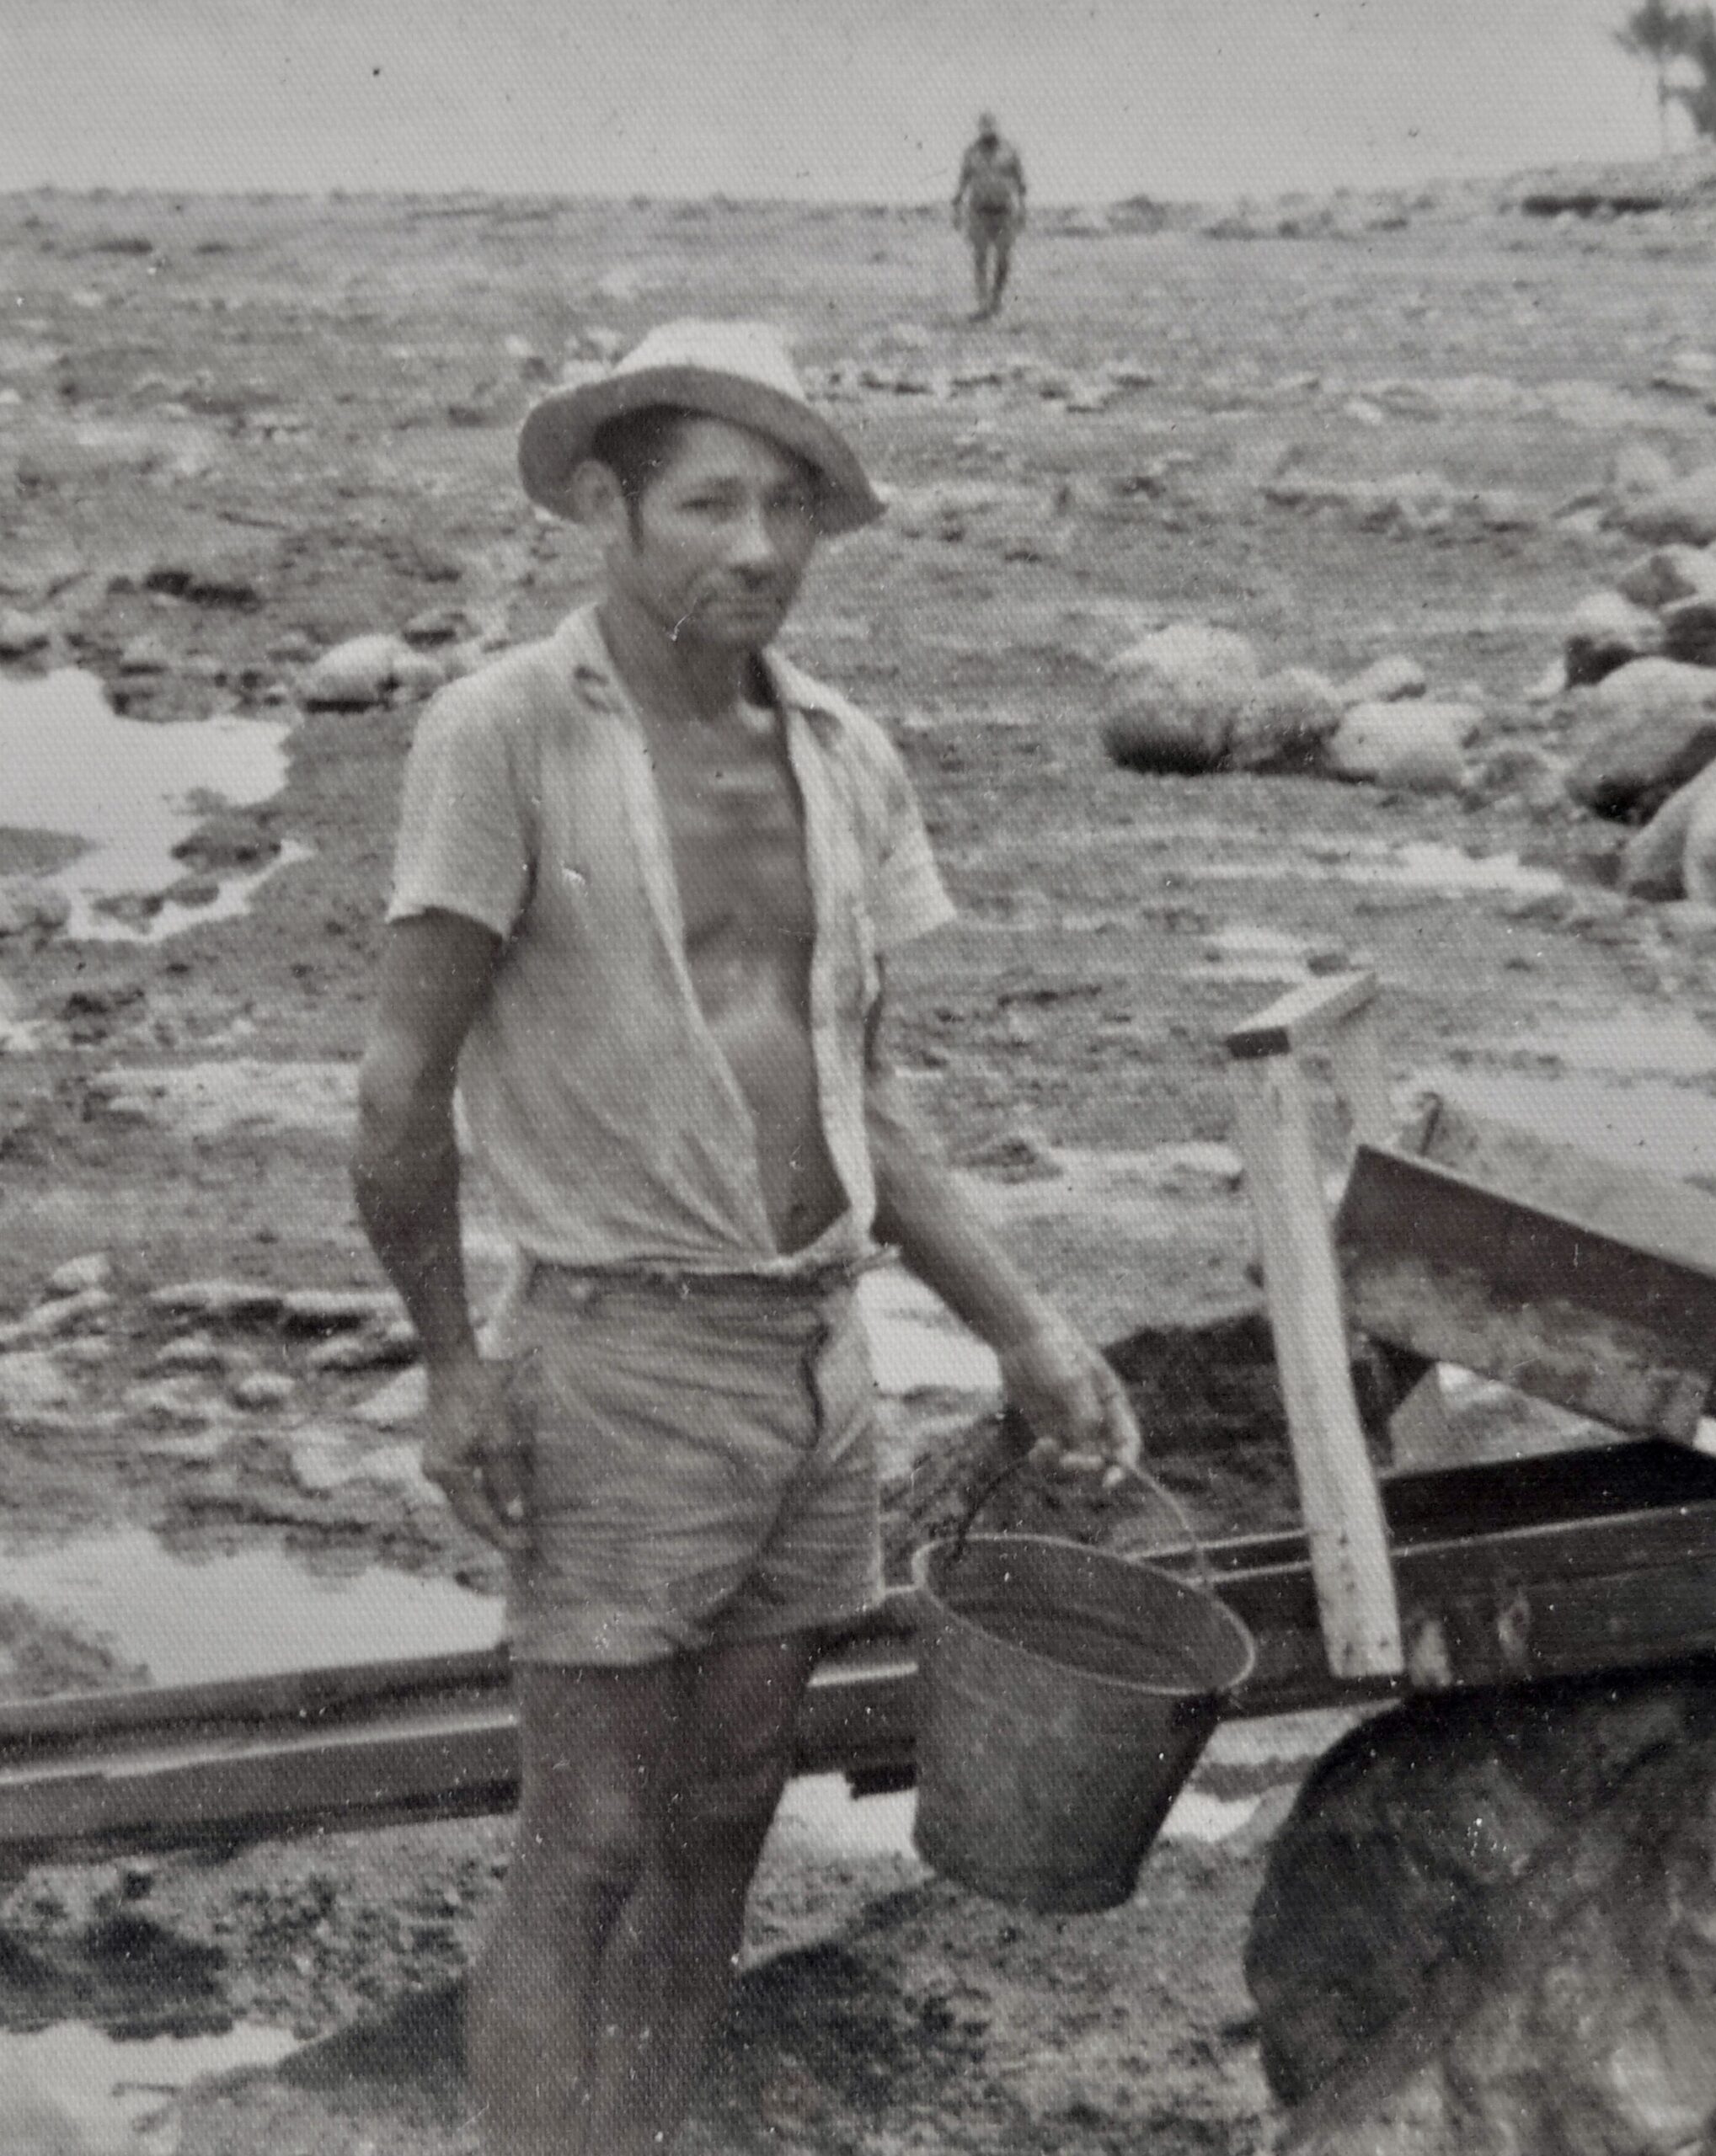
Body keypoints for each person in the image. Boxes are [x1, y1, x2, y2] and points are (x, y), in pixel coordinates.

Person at [350, 318, 1142, 2156]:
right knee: (588, 1842)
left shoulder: (846, 752)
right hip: (617, 1359)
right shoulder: (502, 734)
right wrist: (452, 1366)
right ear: (609, 510)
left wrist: (1021, 1326)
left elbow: (868, 1094)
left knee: (725, 1820)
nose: (757, 546)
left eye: (789, 505)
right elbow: (400, 1094)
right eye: (710, 502)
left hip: (817, 1361)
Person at [954, 111, 1027, 319]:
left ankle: (997, 300)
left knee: (1004, 259)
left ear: (997, 127)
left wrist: (1022, 210)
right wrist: (957, 209)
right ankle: (983, 305)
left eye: (992, 126)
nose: (988, 130)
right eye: (984, 126)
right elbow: (963, 182)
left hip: (1004, 212)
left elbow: (1021, 184)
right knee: (980, 259)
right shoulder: (971, 153)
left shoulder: (1010, 151)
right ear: (980, 128)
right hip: (979, 212)